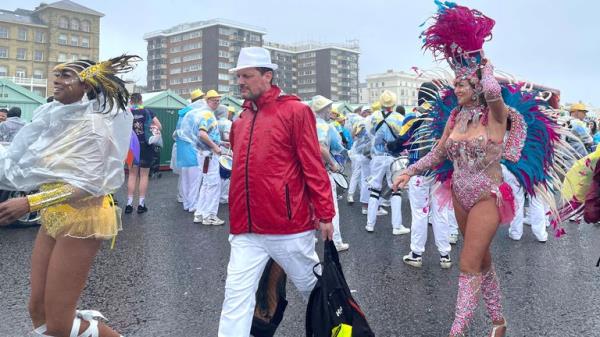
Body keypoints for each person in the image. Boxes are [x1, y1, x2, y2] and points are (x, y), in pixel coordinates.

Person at [0, 55, 139, 337]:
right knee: (38, 311)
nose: (57, 80)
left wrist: (29, 203)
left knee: (60, 323)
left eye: (66, 76)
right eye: (57, 74)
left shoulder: (94, 126)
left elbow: (89, 185)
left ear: (86, 85)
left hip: (84, 218)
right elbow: (33, 163)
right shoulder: (54, 117)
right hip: (55, 214)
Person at [218, 46, 334, 337]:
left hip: (288, 228)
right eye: (239, 76)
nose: (240, 82)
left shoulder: (295, 111)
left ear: (267, 76)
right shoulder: (240, 121)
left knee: (316, 291)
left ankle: (342, 331)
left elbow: (312, 165)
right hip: (246, 230)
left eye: (247, 75)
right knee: (235, 296)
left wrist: (325, 213)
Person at [365, 90, 410, 235]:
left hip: (377, 157)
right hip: (393, 157)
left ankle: (370, 224)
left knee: (375, 189)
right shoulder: (399, 117)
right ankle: (397, 226)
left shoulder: (373, 117)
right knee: (396, 189)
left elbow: (371, 134)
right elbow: (402, 137)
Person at [312, 95, 350, 252]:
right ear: (324, 110)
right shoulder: (327, 127)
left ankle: (308, 237)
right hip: (322, 171)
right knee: (331, 207)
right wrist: (333, 163)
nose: (330, 111)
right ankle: (336, 241)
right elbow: (323, 148)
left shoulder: (305, 124)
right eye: (329, 108)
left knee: (309, 207)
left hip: (305, 172)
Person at [191, 90, 225, 225]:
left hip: (204, 154)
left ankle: (199, 213)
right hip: (209, 155)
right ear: (207, 100)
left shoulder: (204, 113)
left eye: (218, 100)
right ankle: (209, 215)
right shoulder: (206, 114)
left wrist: (220, 143)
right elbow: (202, 134)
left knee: (206, 184)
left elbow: (207, 134)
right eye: (213, 100)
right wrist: (215, 147)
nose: (216, 103)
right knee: (213, 184)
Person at [125, 93, 161, 214]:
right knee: (144, 175)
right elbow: (159, 126)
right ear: (141, 100)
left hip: (131, 147)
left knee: (132, 175)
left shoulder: (126, 112)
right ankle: (141, 204)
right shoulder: (148, 111)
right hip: (145, 145)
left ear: (130, 101)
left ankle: (129, 204)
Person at [174, 88, 205, 209]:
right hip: (194, 149)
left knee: (185, 179)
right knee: (195, 180)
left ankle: (187, 203)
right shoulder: (196, 113)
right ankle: (193, 205)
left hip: (183, 150)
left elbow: (177, 133)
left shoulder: (183, 113)